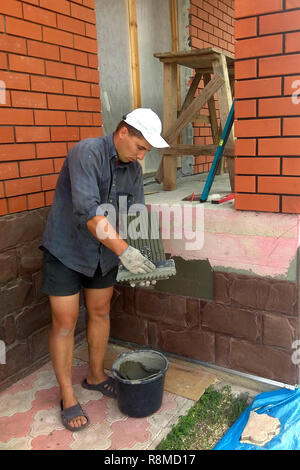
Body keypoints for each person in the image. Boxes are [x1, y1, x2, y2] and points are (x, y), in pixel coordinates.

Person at [40, 108, 170, 432]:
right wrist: (126, 252)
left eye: (147, 152)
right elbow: (87, 211)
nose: (142, 156)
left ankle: (95, 376)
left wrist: (148, 258)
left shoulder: (134, 171)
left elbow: (136, 215)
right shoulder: (86, 153)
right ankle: (67, 396)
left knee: (99, 311)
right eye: (140, 147)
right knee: (65, 321)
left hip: (104, 254)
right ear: (123, 132)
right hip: (67, 249)